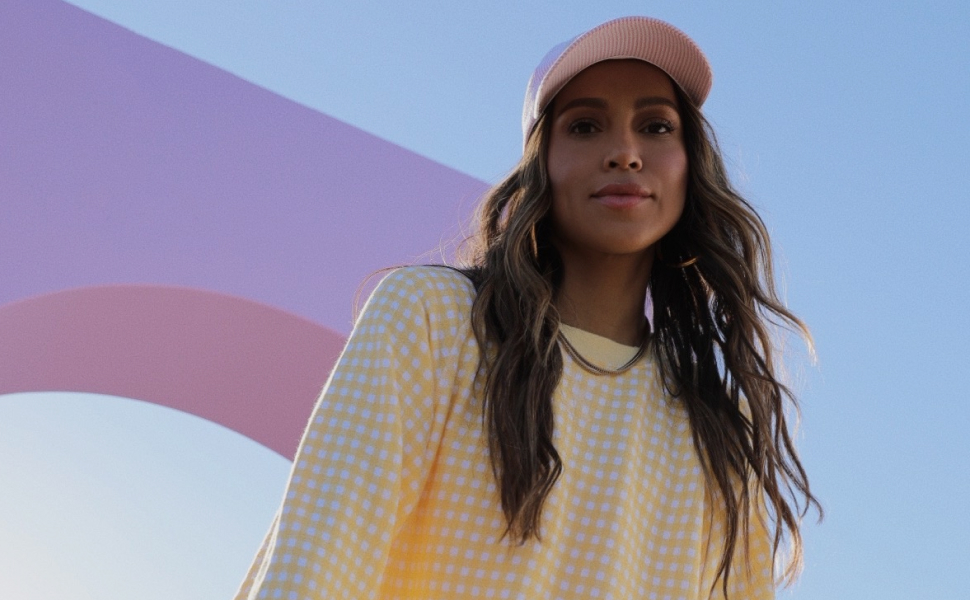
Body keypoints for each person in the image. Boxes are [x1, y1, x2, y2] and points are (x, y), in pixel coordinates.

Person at [234, 16, 819, 600]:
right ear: (541, 163)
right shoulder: (433, 320)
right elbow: (316, 561)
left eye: (656, 126)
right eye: (585, 126)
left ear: (691, 161)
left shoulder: (718, 425)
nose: (625, 153)